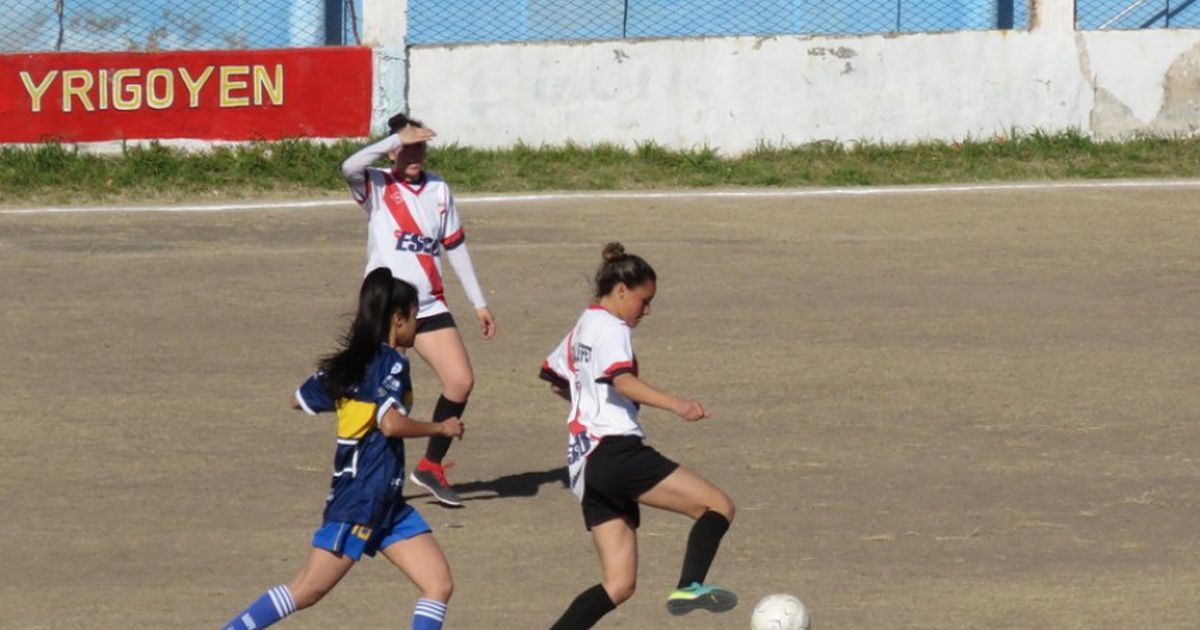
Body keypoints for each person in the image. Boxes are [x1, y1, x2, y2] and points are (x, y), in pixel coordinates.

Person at [221, 268, 463, 630]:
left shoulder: (354, 364)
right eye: (415, 317)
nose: (417, 325)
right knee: (306, 590)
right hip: (361, 502)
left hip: (387, 503)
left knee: (438, 584)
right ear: (398, 319)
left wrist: (348, 391)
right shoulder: (390, 364)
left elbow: (298, 399)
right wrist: (440, 427)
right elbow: (390, 423)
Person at [539, 242, 738, 629]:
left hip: (584, 466)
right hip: (616, 453)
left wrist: (588, 400)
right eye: (644, 301)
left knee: (618, 585)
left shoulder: (584, 324)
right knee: (717, 506)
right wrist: (677, 404)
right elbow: (622, 379)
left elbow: (555, 378)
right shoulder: (612, 329)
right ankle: (689, 584)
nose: (646, 310)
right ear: (622, 291)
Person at [340, 113, 496, 507]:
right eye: (407, 147)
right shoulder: (376, 183)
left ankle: (431, 466)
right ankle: (361, 472)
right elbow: (348, 165)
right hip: (384, 307)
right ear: (394, 150)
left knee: (460, 381)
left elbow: (454, 246)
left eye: (420, 146)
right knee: (377, 392)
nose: (415, 154)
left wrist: (478, 302)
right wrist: (393, 139)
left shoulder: (439, 189)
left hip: (427, 305)